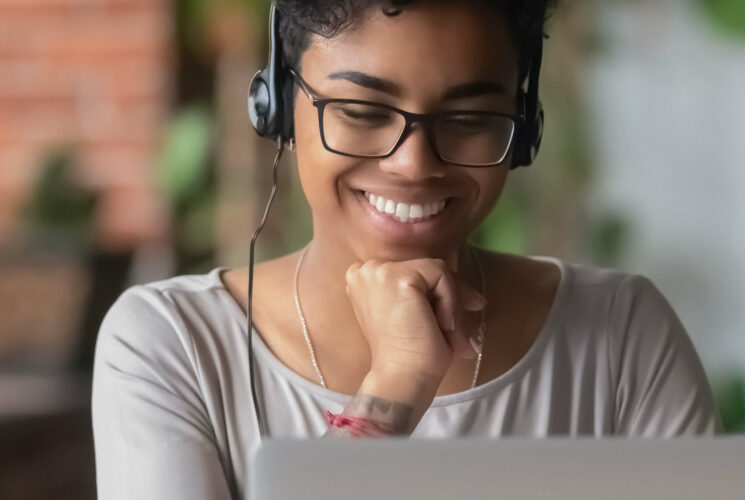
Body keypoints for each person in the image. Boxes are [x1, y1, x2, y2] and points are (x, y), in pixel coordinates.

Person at [91, 1, 723, 499]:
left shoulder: (622, 336)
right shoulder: (170, 346)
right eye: (363, 111)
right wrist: (394, 386)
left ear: (522, 127)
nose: (414, 164)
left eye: (470, 119)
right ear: (279, 108)